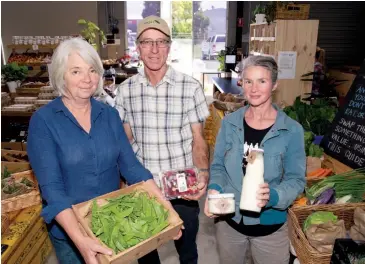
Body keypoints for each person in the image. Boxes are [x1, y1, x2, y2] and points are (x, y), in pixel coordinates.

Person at [27, 37, 181, 264]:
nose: (87, 79)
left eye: (92, 70)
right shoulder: (44, 121)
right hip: (70, 232)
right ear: (61, 75)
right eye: (76, 72)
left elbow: (132, 167)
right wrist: (80, 240)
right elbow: (53, 189)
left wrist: (166, 207)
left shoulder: (108, 115)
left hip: (111, 224)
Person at [115, 16, 210, 264]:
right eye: (147, 42)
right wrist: (123, 183)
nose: (154, 49)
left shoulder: (190, 88)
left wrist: (202, 172)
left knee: (187, 252)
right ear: (138, 47)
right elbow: (124, 142)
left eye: (161, 42)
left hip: (182, 189)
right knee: (146, 257)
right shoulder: (126, 91)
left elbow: (198, 139)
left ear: (169, 47)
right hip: (144, 188)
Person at [204, 55, 306, 264]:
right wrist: (215, 187)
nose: (254, 88)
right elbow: (218, 166)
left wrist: (274, 196)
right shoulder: (230, 123)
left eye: (262, 81)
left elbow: (296, 180)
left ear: (274, 84)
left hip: (270, 228)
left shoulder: (291, 130)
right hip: (229, 222)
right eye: (248, 81)